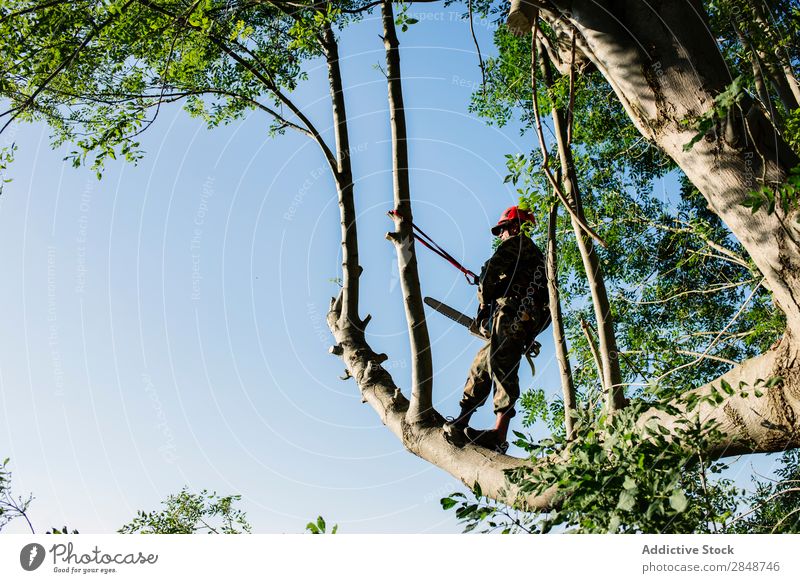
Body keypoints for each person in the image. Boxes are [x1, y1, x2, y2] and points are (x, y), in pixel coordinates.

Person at [443, 206, 550, 453]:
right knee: (482, 364)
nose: (501, 235)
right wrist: (530, 332)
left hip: (511, 311)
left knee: (502, 364)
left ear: (513, 226)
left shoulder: (517, 243)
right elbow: (548, 304)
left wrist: (483, 305)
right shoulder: (538, 259)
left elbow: (490, 274)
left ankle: (499, 435)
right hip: (523, 317)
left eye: (502, 230)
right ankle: (461, 421)